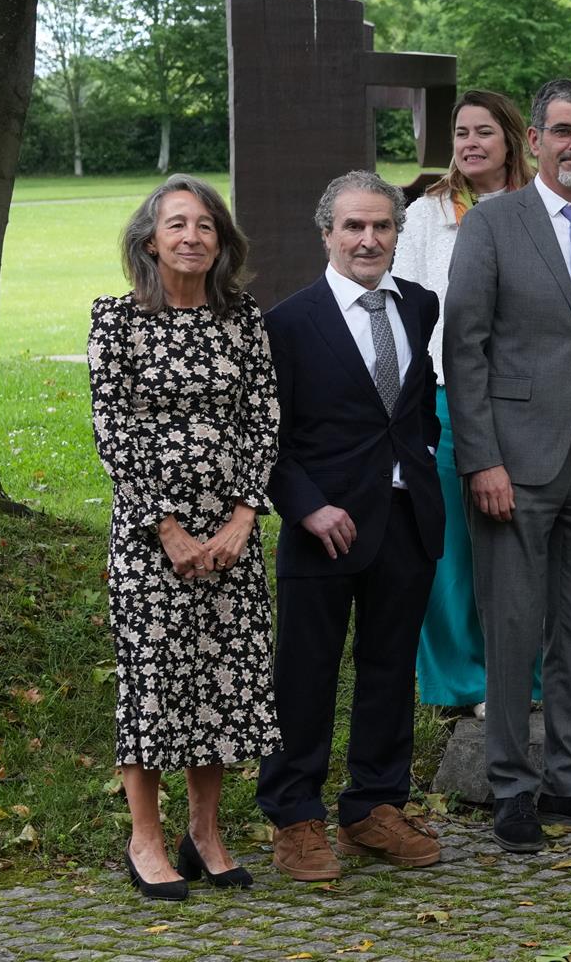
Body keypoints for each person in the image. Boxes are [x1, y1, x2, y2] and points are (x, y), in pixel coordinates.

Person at [444, 78, 571, 853]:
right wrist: (481, 459)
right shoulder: (494, 224)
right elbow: (462, 349)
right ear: (533, 140)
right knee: (512, 626)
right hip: (514, 464)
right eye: (562, 131)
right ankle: (510, 786)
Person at [89, 175, 281, 900]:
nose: (192, 237)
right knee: (153, 686)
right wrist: (166, 528)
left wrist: (240, 518)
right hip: (150, 537)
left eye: (205, 226)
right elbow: (114, 432)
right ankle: (144, 839)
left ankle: (205, 833)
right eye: (177, 225)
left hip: (230, 536)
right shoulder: (117, 320)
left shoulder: (244, 319)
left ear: (221, 242)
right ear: (150, 240)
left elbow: (263, 420)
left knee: (224, 686)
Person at [258, 171, 446, 881]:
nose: (369, 240)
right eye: (353, 227)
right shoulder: (287, 322)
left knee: (391, 670)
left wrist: (419, 463)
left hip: (406, 519)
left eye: (382, 227)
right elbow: (266, 436)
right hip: (322, 527)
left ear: (398, 233)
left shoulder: (419, 306)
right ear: (327, 233)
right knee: (304, 676)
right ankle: (293, 815)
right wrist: (306, 504)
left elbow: (414, 407)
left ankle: (373, 806)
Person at [393, 90, 538, 719]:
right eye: (460, 132)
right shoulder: (427, 213)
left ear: (511, 139)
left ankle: (523, 676)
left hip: (526, 400)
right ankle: (460, 681)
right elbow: (407, 301)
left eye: (484, 131)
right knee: (448, 543)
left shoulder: (541, 209)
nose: (470, 142)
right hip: (446, 395)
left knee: (520, 544)